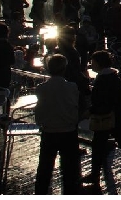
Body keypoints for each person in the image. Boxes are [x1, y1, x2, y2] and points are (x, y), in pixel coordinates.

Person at [83, 51, 121, 193]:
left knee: (98, 145)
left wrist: (90, 111)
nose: (91, 64)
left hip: (105, 118)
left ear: (99, 63)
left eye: (93, 62)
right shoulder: (113, 77)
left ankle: (95, 175)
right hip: (117, 116)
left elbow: (101, 102)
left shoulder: (103, 80)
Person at [35, 54, 80, 194]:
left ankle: (40, 192)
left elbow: (40, 111)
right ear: (64, 69)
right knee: (70, 169)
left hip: (49, 131)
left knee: (45, 168)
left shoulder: (41, 88)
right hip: (68, 131)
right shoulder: (72, 87)